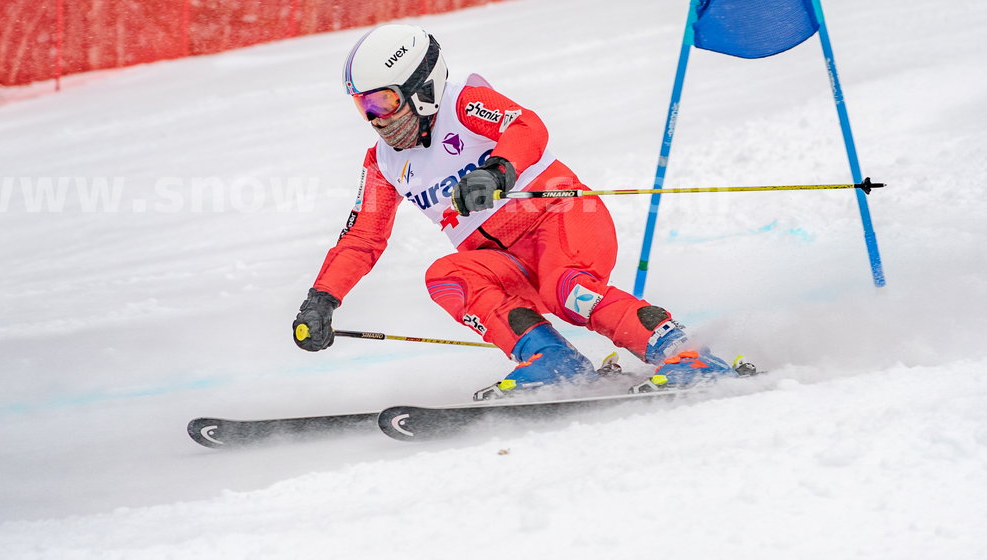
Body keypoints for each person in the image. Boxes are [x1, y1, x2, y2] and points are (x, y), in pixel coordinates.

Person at [292, 23, 751, 399]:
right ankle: (551, 361)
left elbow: (526, 124)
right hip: (507, 260)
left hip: (561, 219)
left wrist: (498, 171)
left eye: (383, 101)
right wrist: (322, 299)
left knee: (566, 290)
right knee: (447, 276)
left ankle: (686, 354)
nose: (376, 118)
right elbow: (362, 237)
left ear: (420, 86)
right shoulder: (383, 163)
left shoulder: (463, 103)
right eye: (363, 105)